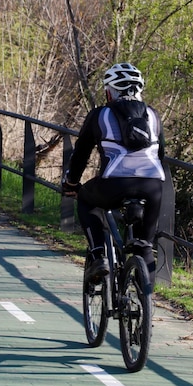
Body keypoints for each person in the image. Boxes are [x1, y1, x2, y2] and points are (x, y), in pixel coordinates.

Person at [61, 63, 165, 290]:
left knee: (87, 200)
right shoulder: (153, 115)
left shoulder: (100, 114)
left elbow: (81, 153)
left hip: (113, 185)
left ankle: (99, 256)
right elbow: (161, 155)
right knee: (145, 246)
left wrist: (71, 183)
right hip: (153, 186)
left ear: (110, 91)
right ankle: (144, 299)